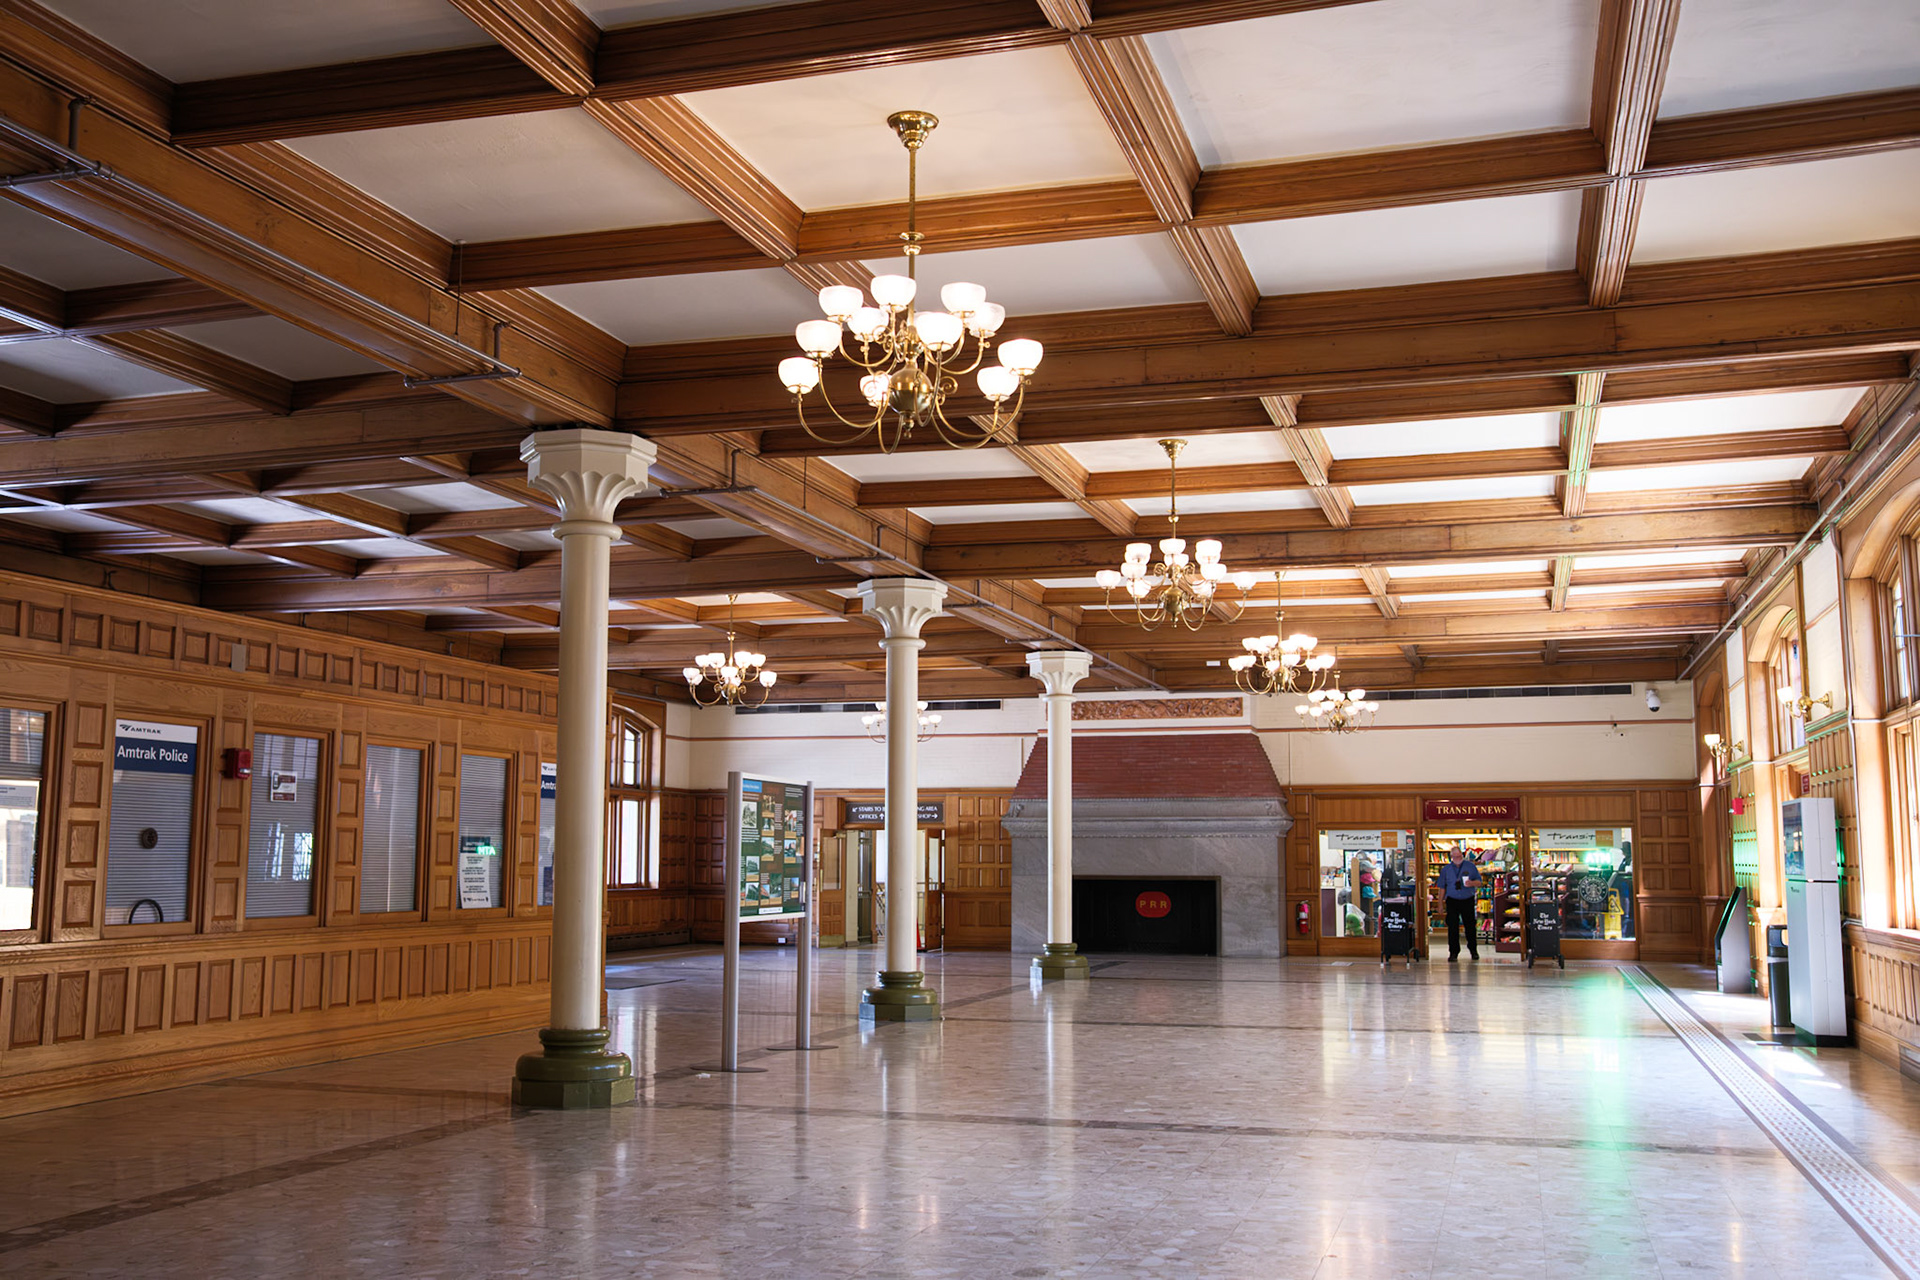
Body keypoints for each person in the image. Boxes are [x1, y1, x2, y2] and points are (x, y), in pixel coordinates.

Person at [1437, 847, 1482, 961]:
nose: (1458, 859)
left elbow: (1479, 882)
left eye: (1460, 856)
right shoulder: (1446, 870)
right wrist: (1440, 904)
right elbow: (1442, 887)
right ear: (1451, 857)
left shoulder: (1470, 866)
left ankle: (1473, 950)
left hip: (1467, 899)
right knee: (1452, 927)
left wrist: (1472, 883)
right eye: (1455, 857)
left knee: (1470, 926)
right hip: (1452, 900)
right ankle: (1453, 952)